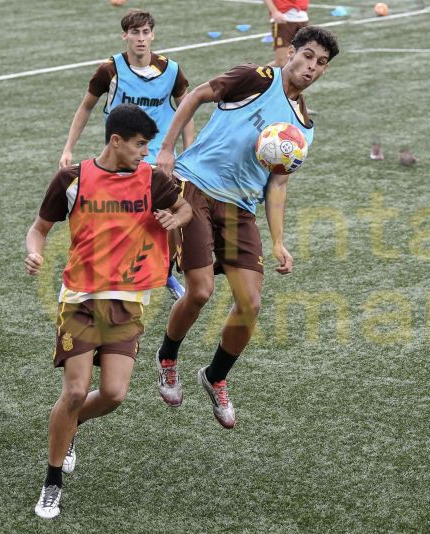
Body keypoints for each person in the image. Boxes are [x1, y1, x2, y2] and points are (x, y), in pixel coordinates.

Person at [152, 26, 339, 427]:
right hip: (195, 188)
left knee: (250, 303)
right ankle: (167, 356)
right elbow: (197, 95)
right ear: (291, 51)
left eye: (321, 63)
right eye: (307, 55)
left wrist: (278, 242)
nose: (312, 67)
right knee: (200, 290)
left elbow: (278, 185)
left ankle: (215, 376)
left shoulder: (302, 128)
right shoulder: (256, 78)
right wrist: (167, 149)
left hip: (240, 209)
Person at [26, 104, 192, 519]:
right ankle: (52, 482)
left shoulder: (152, 179)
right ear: (116, 141)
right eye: (140, 144)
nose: (145, 152)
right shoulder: (72, 179)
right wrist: (34, 252)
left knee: (115, 394)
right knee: (76, 391)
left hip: (128, 303)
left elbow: (186, 208)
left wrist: (174, 218)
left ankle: (70, 426)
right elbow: (39, 228)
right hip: (80, 302)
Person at [58, 8, 195, 299]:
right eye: (135, 32)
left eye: (146, 32)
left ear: (153, 35)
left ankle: (167, 272)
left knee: (171, 212)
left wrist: (188, 151)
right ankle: (108, 267)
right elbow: (86, 107)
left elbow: (186, 111)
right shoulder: (109, 71)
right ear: (125, 36)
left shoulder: (171, 70)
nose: (141, 38)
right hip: (120, 156)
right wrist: (68, 147)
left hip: (158, 157)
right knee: (117, 216)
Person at [263, 0, 310, 68]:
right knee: (282, 62)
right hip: (283, 17)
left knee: (302, 60)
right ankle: (257, 74)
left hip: (303, 17)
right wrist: (274, 12)